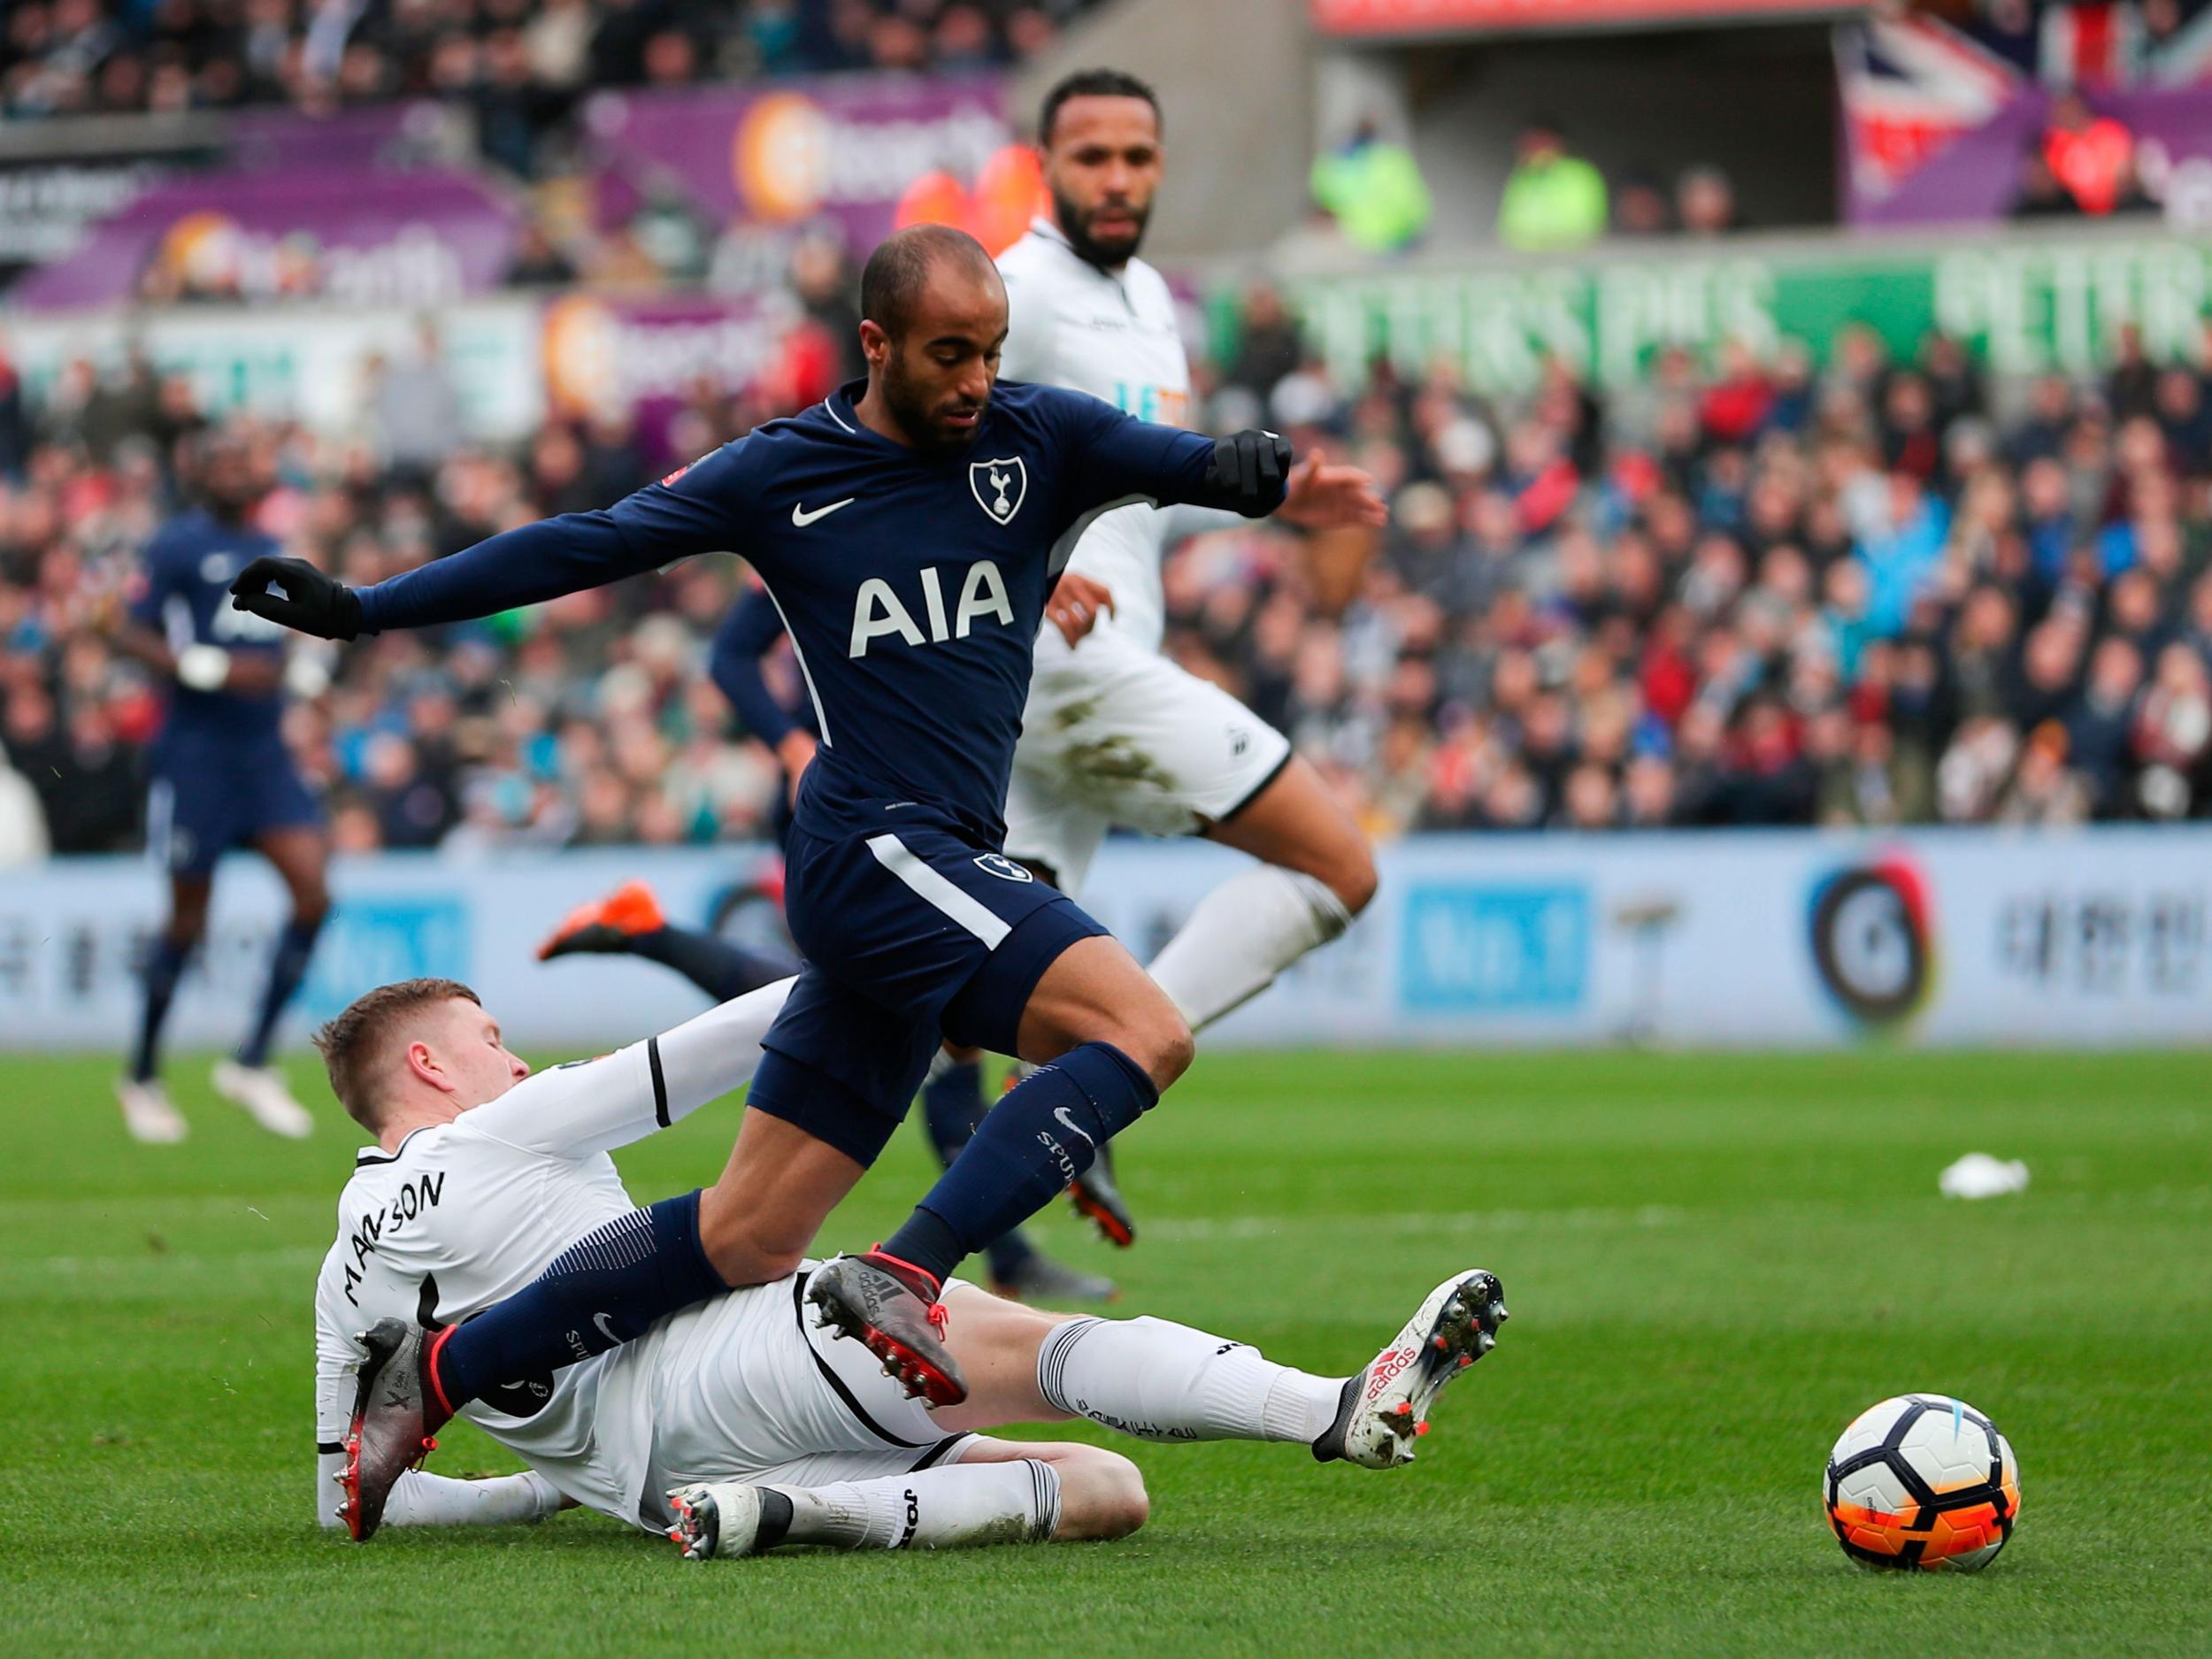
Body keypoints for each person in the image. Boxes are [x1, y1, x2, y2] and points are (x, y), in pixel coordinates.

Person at [234, 221, 1294, 1530]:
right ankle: (909, 1264)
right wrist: (361, 608)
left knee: (746, 1236)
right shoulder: (784, 473)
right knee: (1146, 1028)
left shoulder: (1044, 437)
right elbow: (583, 543)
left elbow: (1194, 466)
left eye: (991, 353)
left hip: (933, 854)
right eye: (948, 354)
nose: (974, 381)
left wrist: (1250, 470)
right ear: (876, 344)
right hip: (875, 841)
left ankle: (448, 1366)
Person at [541, 67, 1386, 1286]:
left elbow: (1129, 488)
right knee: (1330, 866)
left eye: (1136, 159)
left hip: (1036, 705)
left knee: (924, 1004)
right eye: (1089, 157)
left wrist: (1274, 506)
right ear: (1044, 164)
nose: (1115, 179)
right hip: (1062, 673)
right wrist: (1032, 574)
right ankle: (1014, 1164)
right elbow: (946, 465)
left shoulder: (1149, 299)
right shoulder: (1019, 293)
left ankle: (746, 1225)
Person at [311, 975, 1508, 1548]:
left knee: (1105, 1488)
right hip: (738, 1365)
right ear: (427, 1066)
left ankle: (792, 1514)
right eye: (492, 1037)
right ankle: (1336, 1406)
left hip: (655, 1476)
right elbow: (719, 1044)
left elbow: (358, 1499)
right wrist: (922, 962)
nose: (516, 1060)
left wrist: (541, 1483)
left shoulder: (341, 1274)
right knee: (1020, 1341)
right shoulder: (500, 1126)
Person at [540, 580, 1116, 1305]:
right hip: (853, 803)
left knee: (900, 1018)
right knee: (881, 1012)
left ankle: (647, 930)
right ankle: (993, 1251)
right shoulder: (818, 502)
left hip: (926, 800)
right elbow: (732, 655)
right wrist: (787, 740)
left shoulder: (934, 513)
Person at [110, 430, 327, 1144]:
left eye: (247, 460)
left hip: (262, 748)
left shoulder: (270, 544)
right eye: (227, 463)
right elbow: (125, 629)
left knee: (313, 893)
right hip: (198, 749)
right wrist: (199, 667)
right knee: (187, 920)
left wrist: (304, 661)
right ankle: (141, 1073)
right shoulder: (177, 543)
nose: (241, 473)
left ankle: (254, 1060)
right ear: (198, 474)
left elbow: (283, 628)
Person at [1496, 118, 1607, 253]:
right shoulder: (1520, 179)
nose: (1531, 149)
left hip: (1571, 263)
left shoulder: (1580, 175)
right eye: (1526, 144)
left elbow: (1584, 227)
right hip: (1526, 265)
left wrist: (1539, 243)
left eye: (1537, 142)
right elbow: (1508, 231)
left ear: (1556, 142)